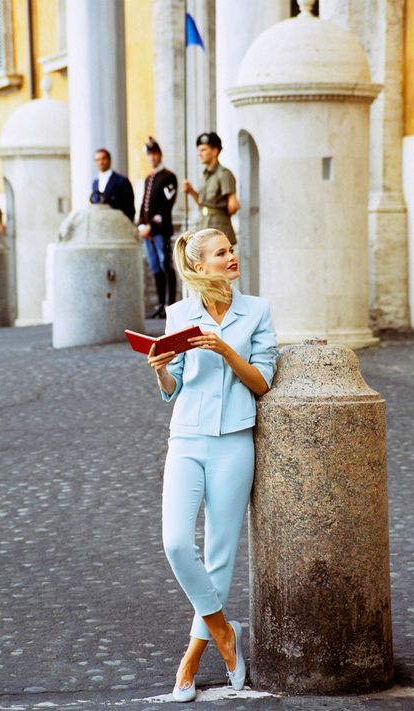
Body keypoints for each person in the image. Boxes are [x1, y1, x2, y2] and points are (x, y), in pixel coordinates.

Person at [146, 228, 278, 701]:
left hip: (234, 440)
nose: (232, 256)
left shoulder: (256, 311)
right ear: (201, 266)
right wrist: (161, 367)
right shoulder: (179, 314)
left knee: (220, 552)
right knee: (177, 542)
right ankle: (225, 632)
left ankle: (193, 655)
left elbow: (262, 381)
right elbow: (173, 387)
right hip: (186, 437)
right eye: (222, 252)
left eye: (232, 248)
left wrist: (225, 349)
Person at [138, 137, 178, 319]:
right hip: (147, 233)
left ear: (160, 155)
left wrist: (151, 226)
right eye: (150, 154)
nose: (152, 157)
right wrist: (141, 224)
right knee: (155, 267)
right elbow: (143, 205)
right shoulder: (149, 178)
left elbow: (166, 206)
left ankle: (171, 304)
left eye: (154, 154)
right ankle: (161, 303)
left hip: (160, 230)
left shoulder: (169, 177)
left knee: (165, 265)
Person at [182, 132, 240, 245]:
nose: (200, 153)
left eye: (203, 149)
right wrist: (191, 191)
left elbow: (233, 205)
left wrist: (221, 212)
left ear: (214, 151)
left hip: (219, 226)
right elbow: (202, 203)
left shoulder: (224, 174)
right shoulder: (205, 175)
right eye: (198, 150)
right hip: (203, 223)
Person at [89, 148, 135, 222]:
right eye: (97, 160)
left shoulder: (121, 181)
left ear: (109, 160)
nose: (100, 162)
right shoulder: (95, 183)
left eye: (103, 159)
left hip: (117, 224)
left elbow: (129, 208)